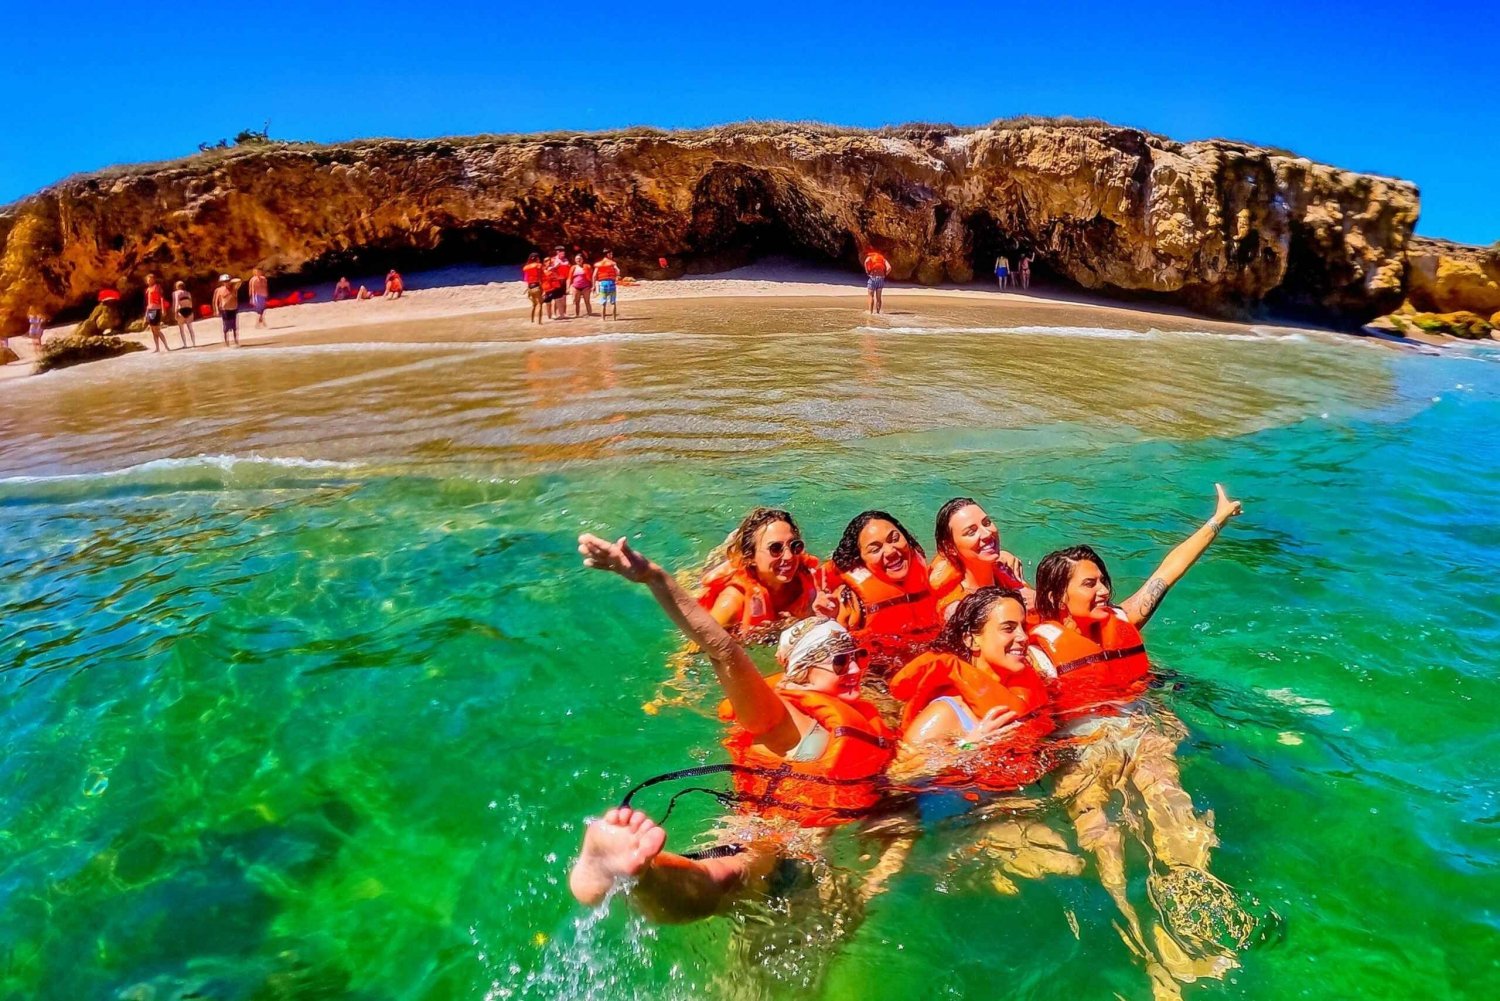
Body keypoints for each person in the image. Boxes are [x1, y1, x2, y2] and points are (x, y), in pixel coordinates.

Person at [568, 534, 896, 923]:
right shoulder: (783, 719)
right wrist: (655, 578)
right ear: (802, 672)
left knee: (746, 942)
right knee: (730, 872)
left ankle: (639, 875)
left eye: (856, 655)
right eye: (839, 662)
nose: (855, 668)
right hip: (776, 845)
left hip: (800, 850)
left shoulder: (861, 716)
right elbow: (723, 651)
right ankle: (634, 870)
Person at [1030, 484, 1250, 995]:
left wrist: (1215, 520)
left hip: (1141, 731)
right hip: (1084, 749)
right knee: (1106, 843)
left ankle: (1190, 924)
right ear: (1057, 596)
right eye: (1089, 584)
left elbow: (1168, 571)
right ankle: (1144, 950)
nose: (1104, 589)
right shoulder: (1036, 650)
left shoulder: (1125, 620)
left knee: (1176, 812)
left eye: (1103, 579)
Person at [889, 587, 1055, 791]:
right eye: (1008, 628)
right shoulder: (945, 712)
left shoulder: (1023, 693)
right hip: (959, 811)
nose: (1022, 637)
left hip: (1011, 799)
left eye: (1023, 626)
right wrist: (969, 746)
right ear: (972, 640)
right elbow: (898, 776)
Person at [822, 510, 940, 667]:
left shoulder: (932, 578)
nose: (891, 552)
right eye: (875, 549)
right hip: (878, 679)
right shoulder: (850, 601)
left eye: (894, 539)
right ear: (860, 560)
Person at [695, 507, 822, 639]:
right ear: (751, 557)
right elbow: (695, 649)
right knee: (693, 579)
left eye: (794, 545)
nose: (789, 556)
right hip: (723, 578)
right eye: (775, 548)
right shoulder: (731, 603)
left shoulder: (808, 578)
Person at [930, 497, 1034, 620]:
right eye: (971, 532)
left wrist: (1038, 599)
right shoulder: (960, 610)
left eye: (987, 523)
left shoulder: (1007, 570)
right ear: (950, 547)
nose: (987, 533)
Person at [142, 274, 170, 352]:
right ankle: (157, 348)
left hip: (156, 309)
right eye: (148, 280)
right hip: (150, 310)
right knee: (153, 330)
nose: (149, 281)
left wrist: (163, 309)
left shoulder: (157, 287)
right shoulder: (147, 289)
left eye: (151, 279)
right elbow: (148, 303)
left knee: (157, 329)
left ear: (154, 280)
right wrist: (146, 315)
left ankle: (166, 346)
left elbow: (161, 298)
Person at [213, 275, 241, 346]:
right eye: (225, 282)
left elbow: (239, 280)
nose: (227, 283)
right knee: (226, 327)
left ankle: (236, 342)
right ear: (222, 282)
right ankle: (227, 343)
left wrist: (231, 281)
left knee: (234, 327)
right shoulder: (219, 290)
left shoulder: (234, 288)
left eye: (227, 281)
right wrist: (216, 310)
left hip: (233, 309)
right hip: (225, 310)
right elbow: (216, 301)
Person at [594, 249, 620, 320]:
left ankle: (603, 319)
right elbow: (618, 271)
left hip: (603, 284)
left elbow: (594, 275)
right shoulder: (612, 263)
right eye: (611, 254)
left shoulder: (599, 264)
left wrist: (593, 285)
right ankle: (614, 319)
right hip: (611, 283)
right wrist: (617, 275)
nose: (612, 255)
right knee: (613, 302)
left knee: (603, 303)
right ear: (607, 254)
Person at [863, 249, 890, 314]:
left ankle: (870, 312)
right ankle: (878, 312)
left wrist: (867, 271)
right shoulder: (883, 259)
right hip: (881, 279)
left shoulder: (870, 257)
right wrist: (885, 274)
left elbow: (866, 261)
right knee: (879, 297)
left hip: (873, 278)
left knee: (871, 296)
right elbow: (889, 268)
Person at [521, 253, 545, 324]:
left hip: (530, 287)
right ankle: (539, 322)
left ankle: (532, 320)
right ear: (537, 258)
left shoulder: (526, 267)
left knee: (534, 305)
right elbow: (541, 276)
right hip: (537, 286)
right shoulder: (538, 265)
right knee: (540, 304)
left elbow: (526, 278)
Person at [172, 281, 196, 348]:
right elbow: (191, 304)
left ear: (176, 287)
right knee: (190, 328)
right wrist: (191, 311)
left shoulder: (175, 293)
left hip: (181, 310)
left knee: (181, 329)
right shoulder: (188, 293)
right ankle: (194, 343)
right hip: (189, 310)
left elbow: (176, 303)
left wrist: (175, 313)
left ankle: (185, 344)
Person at [548, 248, 571, 319]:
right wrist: (555, 266)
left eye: (564, 251)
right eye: (562, 251)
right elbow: (549, 269)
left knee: (564, 298)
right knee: (557, 298)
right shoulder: (553, 259)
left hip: (564, 280)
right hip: (556, 281)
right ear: (558, 252)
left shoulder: (566, 260)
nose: (563, 253)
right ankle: (555, 313)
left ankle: (564, 313)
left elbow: (569, 268)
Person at [570, 253, 594, 318]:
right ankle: (577, 314)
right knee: (576, 302)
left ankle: (590, 313)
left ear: (582, 260)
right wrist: (568, 287)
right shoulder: (573, 267)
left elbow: (592, 276)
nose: (578, 260)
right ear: (575, 260)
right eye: (577, 259)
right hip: (576, 286)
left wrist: (593, 285)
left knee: (587, 301)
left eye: (580, 259)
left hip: (586, 286)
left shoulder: (587, 266)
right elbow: (569, 278)